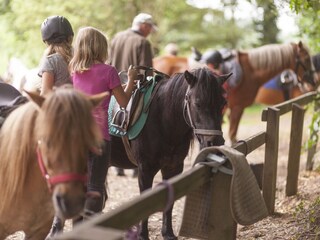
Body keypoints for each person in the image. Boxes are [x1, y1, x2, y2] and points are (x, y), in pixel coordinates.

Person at [70, 26, 137, 217]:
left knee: (78, 183)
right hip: (99, 136)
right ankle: (92, 230)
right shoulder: (109, 71)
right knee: (96, 186)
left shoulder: (73, 71)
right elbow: (123, 102)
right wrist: (131, 80)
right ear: (101, 47)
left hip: (76, 136)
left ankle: (74, 226)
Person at [109, 12, 157, 177]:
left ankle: (117, 164)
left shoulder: (116, 37)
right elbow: (146, 71)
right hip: (134, 88)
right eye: (150, 28)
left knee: (114, 121)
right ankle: (137, 161)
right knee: (141, 123)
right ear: (144, 26)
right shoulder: (142, 42)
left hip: (114, 87)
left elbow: (109, 62)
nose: (150, 31)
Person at [38, 15, 74, 96]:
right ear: (70, 37)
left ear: (46, 42)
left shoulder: (50, 61)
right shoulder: (80, 56)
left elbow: (45, 94)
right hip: (81, 104)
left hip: (58, 106)